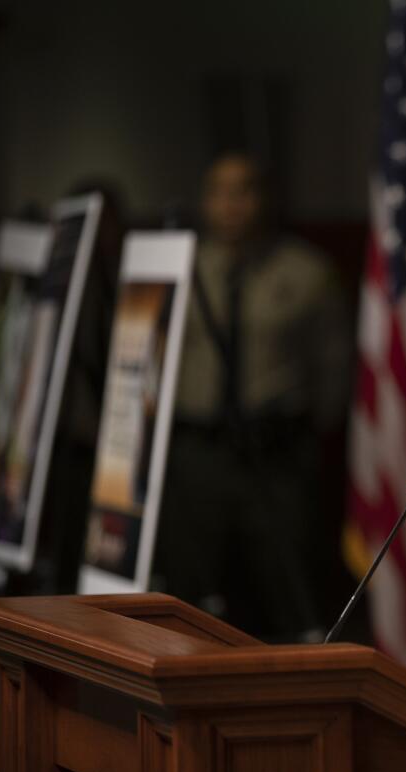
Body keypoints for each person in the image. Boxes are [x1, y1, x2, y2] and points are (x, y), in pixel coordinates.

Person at [151, 153, 351, 641]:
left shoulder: (306, 273)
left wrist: (301, 435)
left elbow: (334, 368)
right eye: (218, 192)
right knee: (193, 596)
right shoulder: (181, 269)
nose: (230, 205)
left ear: (264, 199)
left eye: (243, 191)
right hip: (198, 453)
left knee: (289, 591)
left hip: (276, 456)